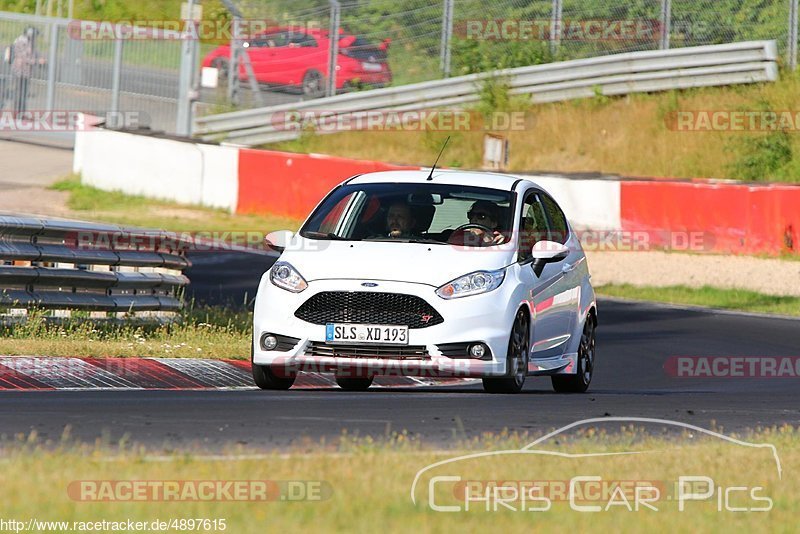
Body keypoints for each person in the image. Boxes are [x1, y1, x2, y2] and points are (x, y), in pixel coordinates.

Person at [11, 27, 37, 114]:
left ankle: (21, 112)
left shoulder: (27, 41)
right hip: (20, 71)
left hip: (24, 71)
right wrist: (35, 61)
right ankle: (18, 112)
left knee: (23, 92)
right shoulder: (23, 42)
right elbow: (23, 56)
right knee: (20, 92)